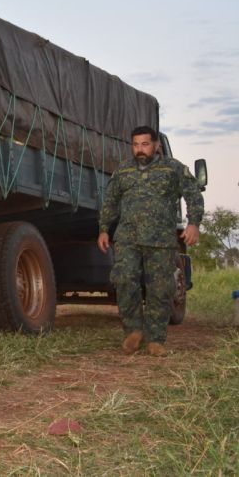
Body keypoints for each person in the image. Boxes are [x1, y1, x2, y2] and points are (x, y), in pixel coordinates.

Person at [98, 125, 204, 357]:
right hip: (127, 238)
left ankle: (156, 339)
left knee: (160, 288)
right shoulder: (123, 171)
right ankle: (133, 331)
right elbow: (110, 201)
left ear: (156, 145)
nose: (140, 150)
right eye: (135, 145)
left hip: (161, 241)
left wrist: (193, 223)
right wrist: (104, 229)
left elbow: (193, 193)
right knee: (125, 281)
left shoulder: (172, 168)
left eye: (145, 144)